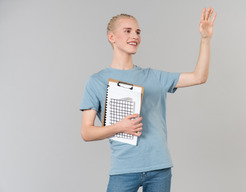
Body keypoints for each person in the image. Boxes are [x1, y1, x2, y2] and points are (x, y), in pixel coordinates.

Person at [80, 7, 216, 192]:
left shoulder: (154, 77)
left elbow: (199, 77)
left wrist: (205, 39)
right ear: (111, 37)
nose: (134, 36)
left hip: (159, 169)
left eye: (137, 32)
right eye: (127, 31)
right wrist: (119, 127)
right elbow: (86, 133)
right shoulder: (97, 81)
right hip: (124, 169)